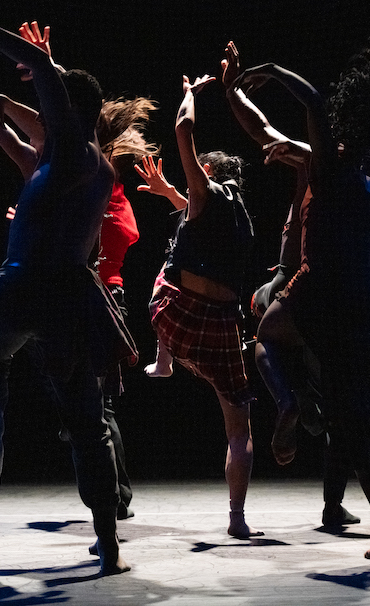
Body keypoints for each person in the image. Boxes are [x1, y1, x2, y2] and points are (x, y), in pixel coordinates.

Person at [0, 11, 134, 575]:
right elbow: (28, 155)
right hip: (66, 297)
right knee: (86, 424)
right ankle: (109, 546)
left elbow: (47, 75)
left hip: (26, 284)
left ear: (69, 116)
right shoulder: (84, 167)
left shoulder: (73, 149)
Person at [235, 48, 370, 560]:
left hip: (318, 291)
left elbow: (314, 104)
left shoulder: (329, 172)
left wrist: (273, 69)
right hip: (364, 298)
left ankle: (289, 400)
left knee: (264, 333)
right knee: (355, 418)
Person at [219, 41, 361, 530]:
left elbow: (262, 128)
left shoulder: (313, 166)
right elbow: (264, 128)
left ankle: (287, 401)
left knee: (264, 344)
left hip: (296, 286)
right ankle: (332, 502)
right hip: (337, 299)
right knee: (338, 407)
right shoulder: (356, 183)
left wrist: (235, 88)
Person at [141, 70, 260, 539]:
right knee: (239, 429)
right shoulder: (240, 217)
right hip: (225, 329)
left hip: (177, 317)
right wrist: (169, 191)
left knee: (167, 263)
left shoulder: (205, 192)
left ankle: (163, 360)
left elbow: (182, 130)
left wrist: (189, 94)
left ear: (205, 173)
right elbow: (196, 217)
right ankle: (237, 518)